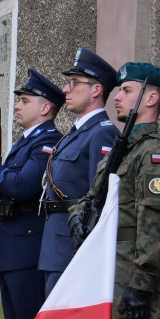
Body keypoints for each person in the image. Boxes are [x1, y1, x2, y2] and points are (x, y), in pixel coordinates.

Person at [69, 63, 160, 319]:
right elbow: (92, 197)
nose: (116, 96)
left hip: (132, 283)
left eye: (127, 90)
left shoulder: (154, 155)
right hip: (106, 279)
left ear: (151, 98)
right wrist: (77, 216)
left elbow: (154, 225)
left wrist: (141, 286)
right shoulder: (122, 151)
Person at [0, 69, 63, 319]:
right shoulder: (25, 143)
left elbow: (23, 186)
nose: (17, 106)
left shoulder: (47, 141)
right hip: (11, 251)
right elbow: (3, 194)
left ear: (45, 107)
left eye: (24, 100)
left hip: (27, 253)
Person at [38, 47, 119, 296]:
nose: (65, 90)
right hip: (56, 246)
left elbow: (100, 198)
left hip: (74, 248)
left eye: (74, 83)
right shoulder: (74, 134)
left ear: (96, 90)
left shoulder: (102, 133)